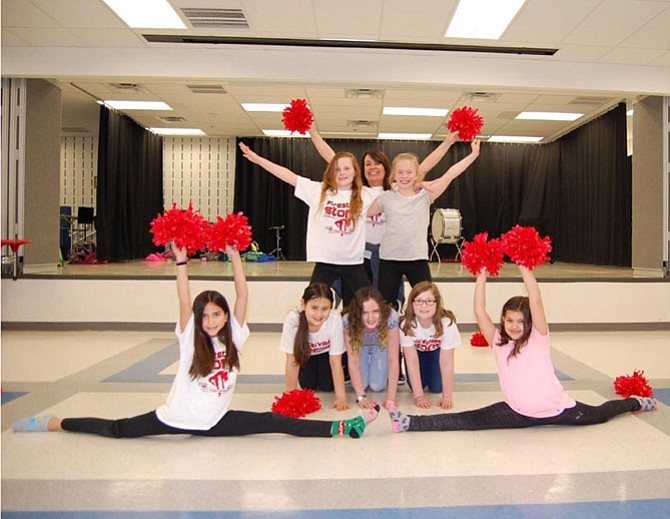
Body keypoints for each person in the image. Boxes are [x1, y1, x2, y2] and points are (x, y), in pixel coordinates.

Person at [13, 243, 378, 439]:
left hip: (217, 421)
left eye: (217, 315)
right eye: (206, 316)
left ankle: (342, 428)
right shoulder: (190, 339)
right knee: (118, 429)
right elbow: (184, 301)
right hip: (174, 419)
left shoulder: (234, 336)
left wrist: (235, 256)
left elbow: (242, 295)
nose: (211, 320)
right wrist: (182, 263)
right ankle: (53, 423)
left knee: (274, 422)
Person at [387, 265, 658, 432]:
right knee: (466, 420)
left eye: (520, 321)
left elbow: (536, 302)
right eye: (509, 320)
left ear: (529, 323)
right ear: (502, 321)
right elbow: (479, 310)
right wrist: (481, 274)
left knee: (600, 414)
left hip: (559, 410)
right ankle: (410, 422)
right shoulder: (498, 342)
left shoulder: (538, 339)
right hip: (517, 412)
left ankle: (636, 402)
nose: (514, 325)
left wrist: (525, 267)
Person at [239, 142, 375, 308]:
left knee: (366, 306)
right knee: (312, 304)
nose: (342, 173)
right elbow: (288, 175)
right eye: (337, 169)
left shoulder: (365, 195)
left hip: (353, 263)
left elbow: (399, 190)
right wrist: (258, 159)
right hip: (325, 262)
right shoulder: (319, 191)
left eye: (347, 168)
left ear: (355, 172)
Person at [371, 140, 481, 308]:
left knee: (428, 302)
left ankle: (426, 333)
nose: (404, 176)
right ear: (393, 174)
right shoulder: (385, 197)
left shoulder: (425, 195)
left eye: (409, 172)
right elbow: (362, 212)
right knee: (386, 306)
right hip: (389, 259)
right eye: (400, 172)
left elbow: (450, 174)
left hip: (417, 259)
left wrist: (473, 155)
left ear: (416, 175)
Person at [280, 282, 349, 411]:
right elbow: (292, 361)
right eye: (314, 308)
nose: (319, 314)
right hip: (306, 355)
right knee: (308, 386)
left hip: (327, 354)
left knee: (328, 386)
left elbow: (335, 362)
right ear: (303, 304)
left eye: (325, 309)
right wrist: (291, 398)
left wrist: (341, 398)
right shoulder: (292, 320)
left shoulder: (334, 320)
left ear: (331, 308)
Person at [400, 281, 460, 410]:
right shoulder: (406, 324)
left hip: (436, 353)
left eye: (429, 301)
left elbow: (447, 363)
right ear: (412, 303)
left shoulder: (447, 323)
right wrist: (419, 396)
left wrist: (447, 397)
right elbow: (412, 362)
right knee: (416, 387)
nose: (424, 305)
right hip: (417, 354)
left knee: (436, 387)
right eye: (419, 301)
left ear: (437, 303)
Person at [343, 286, 401, 410]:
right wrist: (361, 397)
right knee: (360, 385)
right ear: (358, 313)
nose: (370, 318)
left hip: (381, 345)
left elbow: (393, 359)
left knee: (377, 386)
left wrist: (391, 397)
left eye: (375, 311)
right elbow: (353, 360)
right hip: (361, 347)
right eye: (364, 313)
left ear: (381, 309)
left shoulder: (391, 316)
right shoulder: (348, 320)